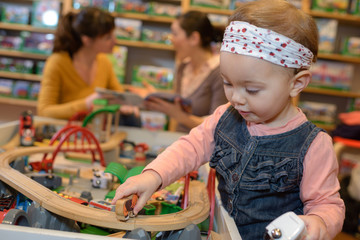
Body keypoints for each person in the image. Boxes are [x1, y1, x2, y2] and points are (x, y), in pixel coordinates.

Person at [112, 0, 345, 239]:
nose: (236, 98)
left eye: (252, 90)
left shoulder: (314, 145)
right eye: (227, 83)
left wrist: (318, 222)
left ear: (296, 83)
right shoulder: (225, 116)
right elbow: (190, 147)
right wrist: (154, 175)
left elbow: (327, 204)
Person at [37, 7, 139, 125]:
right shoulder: (57, 62)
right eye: (108, 38)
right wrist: (86, 104)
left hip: (95, 132)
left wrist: (128, 105)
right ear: (87, 40)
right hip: (65, 133)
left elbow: (119, 94)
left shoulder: (104, 62)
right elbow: (44, 111)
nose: (115, 41)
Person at [129, 11, 228, 132]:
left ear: (194, 38)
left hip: (203, 148)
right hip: (180, 142)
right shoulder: (183, 67)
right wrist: (156, 97)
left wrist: (179, 116)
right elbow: (180, 104)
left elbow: (218, 126)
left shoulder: (219, 72)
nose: (171, 39)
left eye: (175, 34)